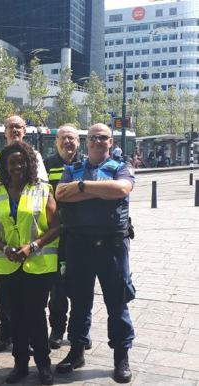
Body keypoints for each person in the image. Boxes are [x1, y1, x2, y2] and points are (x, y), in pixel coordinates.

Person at [55, 123, 135, 383]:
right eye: (94, 138)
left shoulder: (121, 167)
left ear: (110, 142)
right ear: (86, 141)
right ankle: (77, 351)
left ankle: (121, 357)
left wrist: (80, 188)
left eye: (104, 138)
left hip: (112, 247)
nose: (99, 141)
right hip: (79, 245)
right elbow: (60, 194)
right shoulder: (71, 168)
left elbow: (121, 189)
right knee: (79, 302)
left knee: (117, 302)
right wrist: (99, 190)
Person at [0, 142, 59, 385]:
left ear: (29, 163)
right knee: (15, 316)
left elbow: (57, 226)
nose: (18, 166)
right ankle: (20, 365)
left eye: (22, 161)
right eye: (12, 163)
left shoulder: (42, 190)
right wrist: (4, 248)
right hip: (8, 265)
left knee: (36, 314)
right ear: (5, 167)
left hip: (37, 265)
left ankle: (43, 365)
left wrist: (33, 246)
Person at [0, 114, 48, 352]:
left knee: (33, 301)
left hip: (31, 243)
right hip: (4, 240)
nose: (14, 130)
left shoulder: (34, 158)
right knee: (4, 295)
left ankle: (32, 338)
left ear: (25, 131)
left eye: (18, 127)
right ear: (4, 132)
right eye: (10, 127)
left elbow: (40, 193)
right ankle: (7, 333)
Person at [43, 124, 87, 351]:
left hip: (82, 235)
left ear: (78, 142)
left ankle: (81, 332)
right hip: (56, 235)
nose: (68, 142)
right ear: (56, 142)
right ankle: (58, 329)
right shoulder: (46, 165)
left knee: (82, 286)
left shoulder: (86, 164)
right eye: (63, 138)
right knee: (57, 288)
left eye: (72, 138)